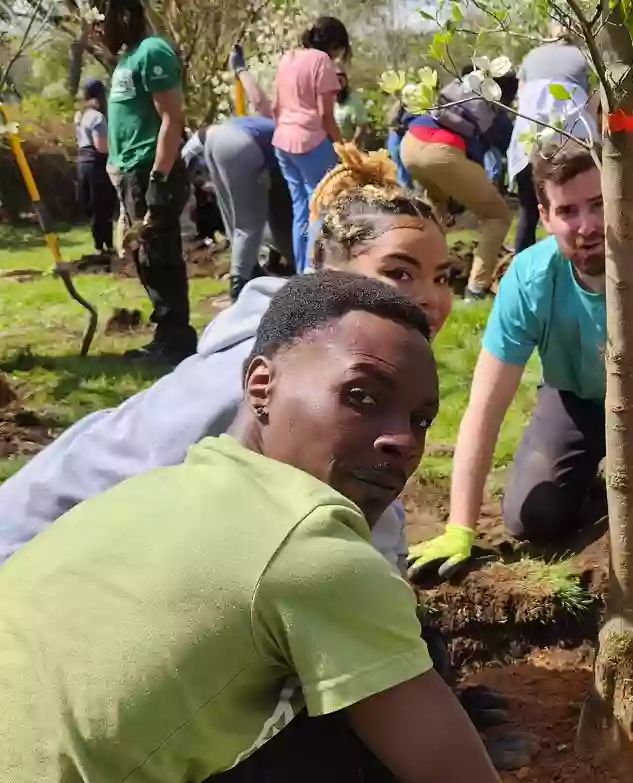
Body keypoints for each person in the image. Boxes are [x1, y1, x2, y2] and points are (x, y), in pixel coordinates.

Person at [0, 270, 510, 783]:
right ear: (261, 385)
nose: (403, 439)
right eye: (362, 396)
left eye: (421, 420)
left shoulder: (146, 494)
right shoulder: (313, 550)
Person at [0, 146, 451, 568]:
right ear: (331, 274)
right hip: (36, 556)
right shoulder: (260, 367)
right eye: (399, 273)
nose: (429, 298)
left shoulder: (349, 359)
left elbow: (361, 491)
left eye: (442, 278)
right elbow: (134, 477)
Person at [406, 141, 633, 581]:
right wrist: (459, 527)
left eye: (599, 204)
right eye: (569, 211)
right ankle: (586, 482)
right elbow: (484, 406)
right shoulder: (530, 279)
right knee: (530, 518)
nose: (587, 225)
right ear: (545, 214)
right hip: (575, 399)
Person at [101, 0, 194, 364]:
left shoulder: (152, 51)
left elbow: (172, 117)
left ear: (121, 15)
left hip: (151, 169)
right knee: (145, 257)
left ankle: (176, 339)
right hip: (128, 172)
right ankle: (166, 334)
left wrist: (158, 176)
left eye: (103, 18)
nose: (98, 28)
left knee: (160, 255)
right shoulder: (126, 59)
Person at [401, 72, 514, 301]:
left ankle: (427, 276)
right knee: (497, 216)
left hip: (410, 145)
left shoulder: (457, 89)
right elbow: (510, 148)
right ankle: (475, 290)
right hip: (442, 153)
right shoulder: (495, 112)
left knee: (437, 209)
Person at [206, 45, 295, 301]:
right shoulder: (290, 133)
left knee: (232, 219)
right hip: (241, 146)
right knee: (248, 224)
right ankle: (239, 289)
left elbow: (257, 100)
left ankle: (249, 271)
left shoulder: (270, 117)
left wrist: (240, 68)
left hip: (217, 137)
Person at [272, 16, 349, 272]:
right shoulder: (322, 61)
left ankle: (301, 270)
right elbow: (325, 115)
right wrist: (344, 148)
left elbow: (275, 106)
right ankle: (314, 270)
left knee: (300, 209)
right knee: (322, 206)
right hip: (310, 141)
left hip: (282, 141)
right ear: (335, 45)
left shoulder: (288, 58)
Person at [508, 25, 593, 252]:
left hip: (528, 139)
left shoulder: (531, 57)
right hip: (570, 140)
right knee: (572, 206)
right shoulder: (585, 57)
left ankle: (522, 266)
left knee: (529, 208)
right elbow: (591, 104)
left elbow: (522, 99)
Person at [74, 77, 117, 259]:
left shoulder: (81, 116)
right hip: (96, 163)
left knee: (92, 205)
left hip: (82, 161)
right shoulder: (98, 117)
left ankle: (100, 245)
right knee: (103, 204)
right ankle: (104, 246)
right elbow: (102, 147)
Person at [335, 65, 370, 147]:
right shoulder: (327, 100)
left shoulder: (355, 102)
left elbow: (361, 126)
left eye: (340, 80)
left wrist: (353, 144)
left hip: (349, 147)